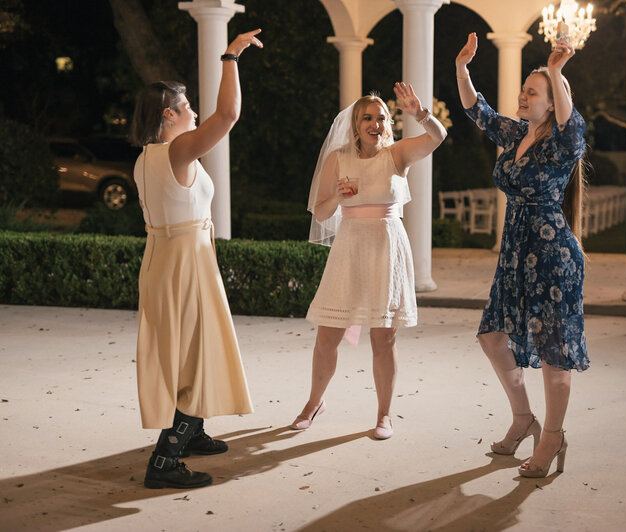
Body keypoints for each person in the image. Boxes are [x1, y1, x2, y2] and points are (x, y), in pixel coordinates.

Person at [129, 29, 263, 489]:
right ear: (169, 114)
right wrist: (231, 56)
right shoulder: (178, 151)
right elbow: (228, 115)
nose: (195, 112)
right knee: (196, 353)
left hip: (169, 258)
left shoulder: (147, 156)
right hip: (185, 263)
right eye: (187, 106)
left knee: (188, 349)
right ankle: (164, 461)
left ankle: (194, 431)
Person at [455, 32, 590, 478]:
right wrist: (462, 69)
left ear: (551, 102)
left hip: (552, 255)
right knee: (492, 336)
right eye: (524, 90)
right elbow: (478, 110)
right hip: (515, 254)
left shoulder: (563, 141)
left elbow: (571, 124)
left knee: (554, 353)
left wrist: (556, 71)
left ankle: (552, 436)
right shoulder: (517, 135)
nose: (522, 96)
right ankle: (522, 419)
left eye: (532, 92)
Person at [293, 83, 447, 439]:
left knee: (383, 338)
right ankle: (313, 402)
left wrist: (421, 113)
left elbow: (437, 137)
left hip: (387, 247)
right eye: (368, 118)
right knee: (327, 334)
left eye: (381, 117)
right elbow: (320, 212)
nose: (375, 123)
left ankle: (384, 416)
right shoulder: (338, 159)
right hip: (349, 247)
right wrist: (337, 195)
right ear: (356, 124)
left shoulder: (397, 155)